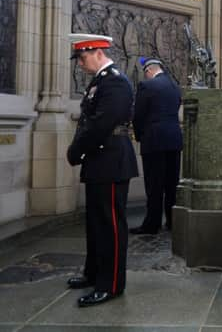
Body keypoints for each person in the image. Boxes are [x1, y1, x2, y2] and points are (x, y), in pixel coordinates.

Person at [66, 33, 138, 307]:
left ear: (98, 53)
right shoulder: (100, 82)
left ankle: (111, 285)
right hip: (100, 159)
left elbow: (100, 124)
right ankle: (94, 273)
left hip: (111, 160)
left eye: (82, 58)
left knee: (110, 226)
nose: (80, 65)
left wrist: (75, 150)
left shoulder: (116, 82)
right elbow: (89, 122)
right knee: (96, 223)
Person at [130, 57, 183, 234]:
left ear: (149, 71)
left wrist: (139, 136)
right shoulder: (175, 87)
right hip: (174, 140)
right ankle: (172, 221)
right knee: (171, 184)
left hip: (153, 141)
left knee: (154, 185)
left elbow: (138, 115)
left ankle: (152, 224)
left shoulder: (147, 86)